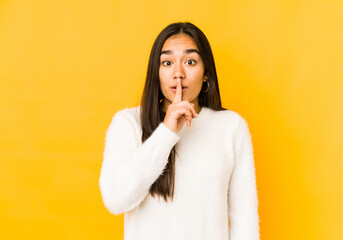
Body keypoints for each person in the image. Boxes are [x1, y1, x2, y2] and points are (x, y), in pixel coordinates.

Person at [99, 22, 260, 240]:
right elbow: (115, 200)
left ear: (206, 74)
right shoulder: (128, 122)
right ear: (156, 73)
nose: (178, 73)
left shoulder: (231, 126)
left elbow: (244, 220)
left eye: (190, 62)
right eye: (167, 62)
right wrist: (166, 133)